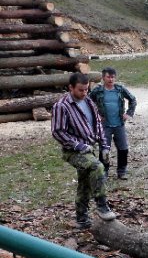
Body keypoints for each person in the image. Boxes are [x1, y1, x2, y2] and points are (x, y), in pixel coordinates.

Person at [51, 73, 117, 229]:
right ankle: (102, 205)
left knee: (85, 183)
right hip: (72, 151)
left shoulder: (88, 101)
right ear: (71, 87)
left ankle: (81, 219)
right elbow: (58, 132)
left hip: (89, 148)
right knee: (97, 167)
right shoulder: (61, 106)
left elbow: (98, 125)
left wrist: (104, 145)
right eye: (80, 90)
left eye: (86, 89)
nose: (84, 93)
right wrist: (77, 145)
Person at [89, 66, 137, 180]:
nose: (111, 80)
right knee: (104, 150)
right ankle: (104, 172)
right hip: (105, 126)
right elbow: (88, 102)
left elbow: (133, 100)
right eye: (108, 77)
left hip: (119, 124)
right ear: (103, 78)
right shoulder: (98, 90)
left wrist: (129, 113)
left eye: (113, 77)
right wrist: (96, 116)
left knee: (123, 148)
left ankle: (122, 171)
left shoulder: (120, 89)